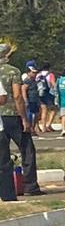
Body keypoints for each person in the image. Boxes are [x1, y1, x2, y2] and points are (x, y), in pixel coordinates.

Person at [0, 42, 43, 201]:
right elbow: (17, 96)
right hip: (12, 115)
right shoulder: (13, 71)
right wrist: (25, 118)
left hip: (0, 118)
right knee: (27, 149)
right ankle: (30, 185)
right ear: (7, 56)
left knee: (3, 155)